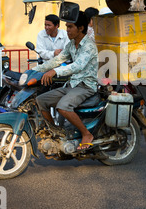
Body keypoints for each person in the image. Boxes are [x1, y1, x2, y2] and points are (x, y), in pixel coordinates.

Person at [34, 8, 99, 151]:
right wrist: (34, 71)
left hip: (86, 86)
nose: (67, 30)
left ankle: (86, 134)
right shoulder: (71, 44)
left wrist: (54, 72)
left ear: (81, 28)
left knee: (63, 106)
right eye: (67, 27)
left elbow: (77, 66)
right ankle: (57, 132)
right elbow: (57, 60)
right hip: (72, 84)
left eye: (70, 27)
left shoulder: (89, 46)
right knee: (41, 100)